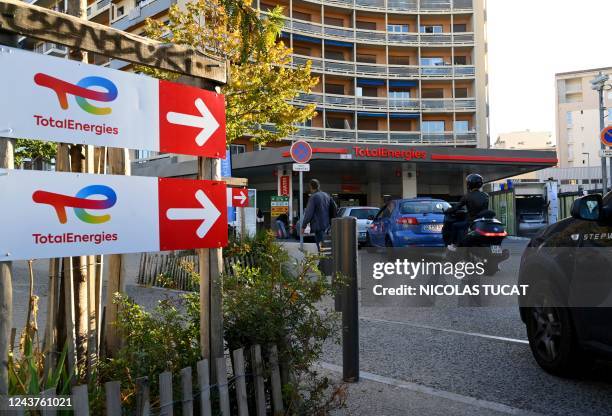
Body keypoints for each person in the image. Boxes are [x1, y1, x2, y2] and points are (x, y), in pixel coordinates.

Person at [446, 173, 489, 251]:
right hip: (483, 222)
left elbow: (456, 207)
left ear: (469, 184)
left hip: (471, 222)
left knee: (455, 225)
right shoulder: (485, 195)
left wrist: (447, 211)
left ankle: (453, 244)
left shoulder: (467, 196)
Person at [301, 179, 336, 251]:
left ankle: (323, 262)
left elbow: (308, 213)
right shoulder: (326, 195)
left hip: (318, 226)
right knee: (327, 247)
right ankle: (325, 261)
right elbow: (335, 207)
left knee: (321, 248)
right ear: (318, 186)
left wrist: (303, 226)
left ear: (310, 187)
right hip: (327, 226)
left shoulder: (313, 197)